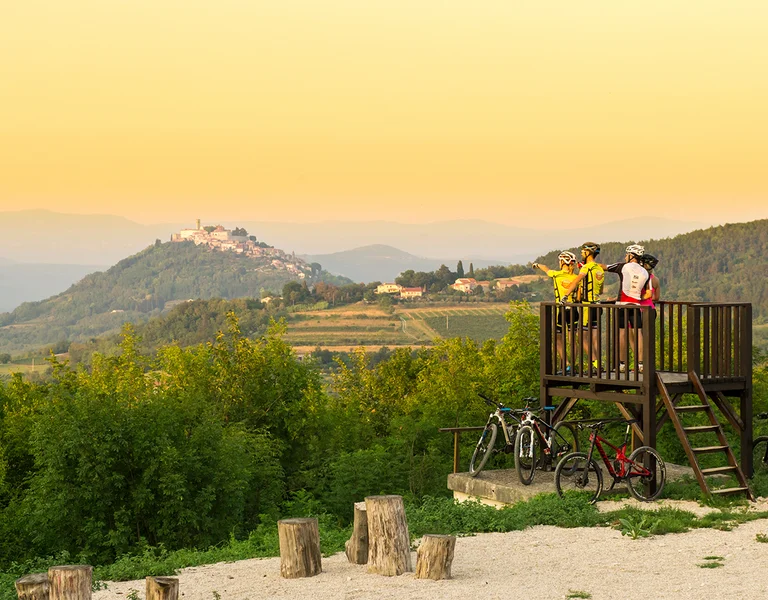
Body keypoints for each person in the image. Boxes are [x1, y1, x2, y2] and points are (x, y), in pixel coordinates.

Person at [602, 244, 649, 373]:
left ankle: (622, 364)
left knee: (622, 333)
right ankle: (641, 364)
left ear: (631, 256)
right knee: (638, 334)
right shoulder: (645, 271)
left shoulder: (623, 266)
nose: (625, 256)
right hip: (636, 305)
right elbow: (646, 292)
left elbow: (604, 267)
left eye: (627, 255)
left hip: (622, 305)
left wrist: (587, 266)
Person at [561, 242, 605, 374]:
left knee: (581, 337)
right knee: (595, 338)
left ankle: (595, 363)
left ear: (588, 253)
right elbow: (601, 290)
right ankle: (598, 365)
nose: (581, 254)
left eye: (582, 252)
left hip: (587, 306)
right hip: (598, 305)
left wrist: (566, 295)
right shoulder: (599, 269)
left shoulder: (587, 267)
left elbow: (577, 280)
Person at [533, 251, 578, 371]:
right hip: (574, 310)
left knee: (558, 338)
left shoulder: (556, 275)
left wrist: (536, 264)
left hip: (562, 310)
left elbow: (545, 268)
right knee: (573, 340)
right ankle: (572, 365)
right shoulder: (576, 278)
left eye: (560, 261)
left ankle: (567, 363)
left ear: (563, 262)